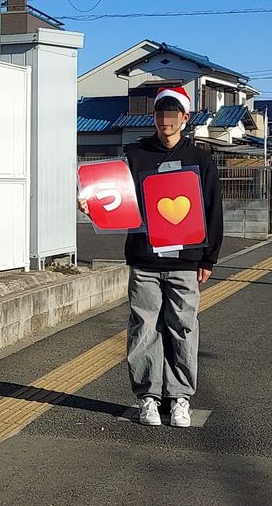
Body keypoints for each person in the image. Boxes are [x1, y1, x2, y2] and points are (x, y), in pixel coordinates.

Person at [79, 86, 223, 427]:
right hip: (144, 258)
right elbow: (113, 195)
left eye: (173, 115)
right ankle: (148, 397)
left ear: (185, 119)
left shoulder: (200, 160)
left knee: (183, 328)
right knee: (143, 328)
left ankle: (180, 398)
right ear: (154, 118)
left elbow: (213, 210)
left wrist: (208, 258)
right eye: (160, 114)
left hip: (185, 260)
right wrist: (91, 205)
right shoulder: (135, 155)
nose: (166, 121)